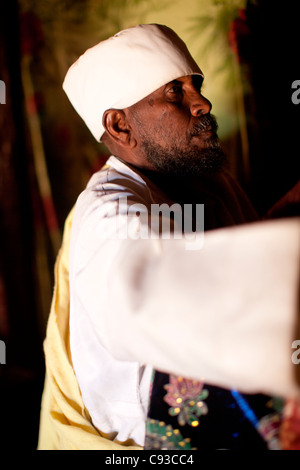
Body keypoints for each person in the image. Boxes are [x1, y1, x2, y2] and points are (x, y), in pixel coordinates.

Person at [37, 24, 300, 450]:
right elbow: (148, 301)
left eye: (195, 86)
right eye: (175, 92)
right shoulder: (109, 212)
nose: (203, 103)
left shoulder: (205, 182)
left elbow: (232, 265)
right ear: (120, 127)